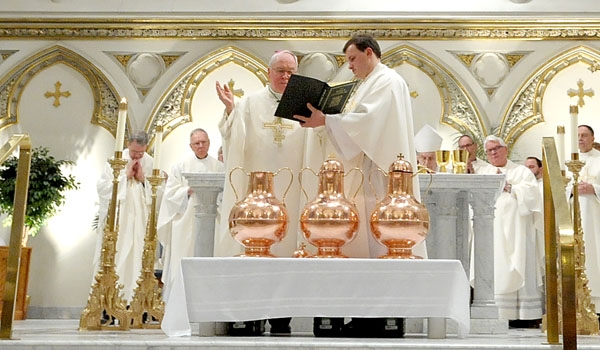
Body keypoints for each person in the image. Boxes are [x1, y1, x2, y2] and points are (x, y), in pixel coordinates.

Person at [295, 33, 419, 337]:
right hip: (368, 172)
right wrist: (328, 120)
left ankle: (382, 316)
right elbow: (359, 121)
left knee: (380, 243)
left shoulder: (387, 80)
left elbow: (367, 120)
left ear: (368, 52)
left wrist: (327, 121)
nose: (349, 66)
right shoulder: (370, 83)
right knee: (365, 242)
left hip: (381, 178)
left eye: (352, 58)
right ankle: (366, 313)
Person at [216, 50, 322, 336]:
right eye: (280, 70)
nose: (285, 76)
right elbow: (233, 136)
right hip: (258, 198)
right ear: (268, 72)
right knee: (257, 254)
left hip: (294, 195)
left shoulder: (305, 105)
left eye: (290, 71)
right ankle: (251, 315)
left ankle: (281, 318)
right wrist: (230, 111)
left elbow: (318, 142)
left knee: (288, 253)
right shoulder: (250, 103)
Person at [478, 135, 544, 328]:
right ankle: (500, 312)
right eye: (489, 150)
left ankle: (526, 315)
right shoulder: (483, 172)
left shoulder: (522, 171)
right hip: (493, 229)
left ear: (506, 149)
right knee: (496, 264)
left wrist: (511, 188)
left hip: (519, 231)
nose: (493, 152)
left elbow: (533, 196)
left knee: (521, 262)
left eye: (497, 148)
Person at [156, 128, 224, 302]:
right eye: (197, 143)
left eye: (204, 142)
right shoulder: (180, 167)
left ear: (209, 143)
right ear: (191, 146)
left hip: (212, 221)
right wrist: (188, 190)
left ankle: (208, 300)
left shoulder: (219, 167)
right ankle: (180, 301)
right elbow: (170, 195)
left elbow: (225, 195)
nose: (201, 146)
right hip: (185, 221)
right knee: (184, 256)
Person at [95, 130, 156, 304]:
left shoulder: (150, 162)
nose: (137, 155)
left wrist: (143, 179)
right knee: (118, 253)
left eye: (141, 152)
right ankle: (110, 301)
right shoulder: (116, 160)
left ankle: (136, 302)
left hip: (140, 219)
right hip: (119, 218)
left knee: (138, 255)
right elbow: (102, 188)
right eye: (134, 151)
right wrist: (125, 176)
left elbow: (158, 192)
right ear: (128, 144)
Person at [570, 125, 600, 309]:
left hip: (596, 217)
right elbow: (560, 188)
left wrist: (594, 189)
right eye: (578, 135)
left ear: (592, 137)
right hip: (575, 215)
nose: (580, 139)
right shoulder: (570, 162)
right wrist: (571, 189)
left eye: (584, 135)